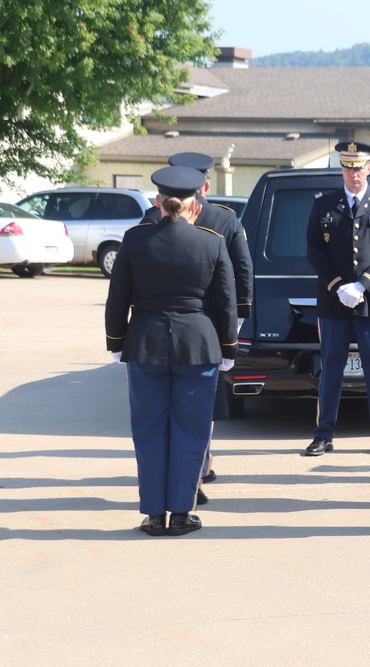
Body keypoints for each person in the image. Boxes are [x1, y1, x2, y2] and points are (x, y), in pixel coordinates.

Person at [105, 165, 237, 536]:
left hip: (145, 343)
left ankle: (152, 514)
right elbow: (226, 301)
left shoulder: (134, 239)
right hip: (198, 345)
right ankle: (181, 513)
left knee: (149, 431)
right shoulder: (212, 241)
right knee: (191, 431)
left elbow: (117, 299)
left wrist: (116, 342)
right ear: (195, 204)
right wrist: (228, 349)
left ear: (158, 201)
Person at [143, 152, 254, 499]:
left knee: (163, 406)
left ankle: (182, 473)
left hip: (158, 326)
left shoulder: (150, 217)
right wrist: (239, 317)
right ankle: (198, 466)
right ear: (205, 185)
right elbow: (242, 271)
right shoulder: (225, 218)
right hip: (209, 325)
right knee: (200, 404)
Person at [303, 141, 370, 457]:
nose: (353, 174)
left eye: (359, 168)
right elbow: (315, 251)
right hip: (334, 303)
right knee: (330, 369)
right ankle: (323, 434)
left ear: (368, 169)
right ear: (341, 170)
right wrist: (337, 286)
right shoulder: (324, 205)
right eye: (348, 167)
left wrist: (362, 286)